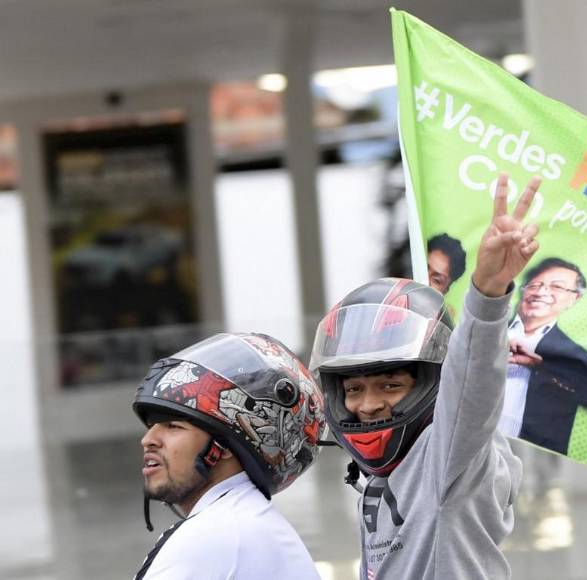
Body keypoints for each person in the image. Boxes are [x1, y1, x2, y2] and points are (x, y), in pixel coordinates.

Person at [309, 174, 541, 579]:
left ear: (433, 384)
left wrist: (488, 294)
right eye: (354, 389)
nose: (368, 405)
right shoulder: (379, 478)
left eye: (390, 385)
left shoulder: (446, 461)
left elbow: (472, 387)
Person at [132, 332, 325, 580]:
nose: (148, 440)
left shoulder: (214, 534)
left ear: (223, 447)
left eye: (173, 426)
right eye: (152, 426)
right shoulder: (243, 520)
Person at [498, 257, 587, 455]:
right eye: (535, 285)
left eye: (556, 287)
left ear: (575, 298)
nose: (541, 292)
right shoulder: (487, 329)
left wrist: (540, 366)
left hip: (522, 458)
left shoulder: (573, 355)